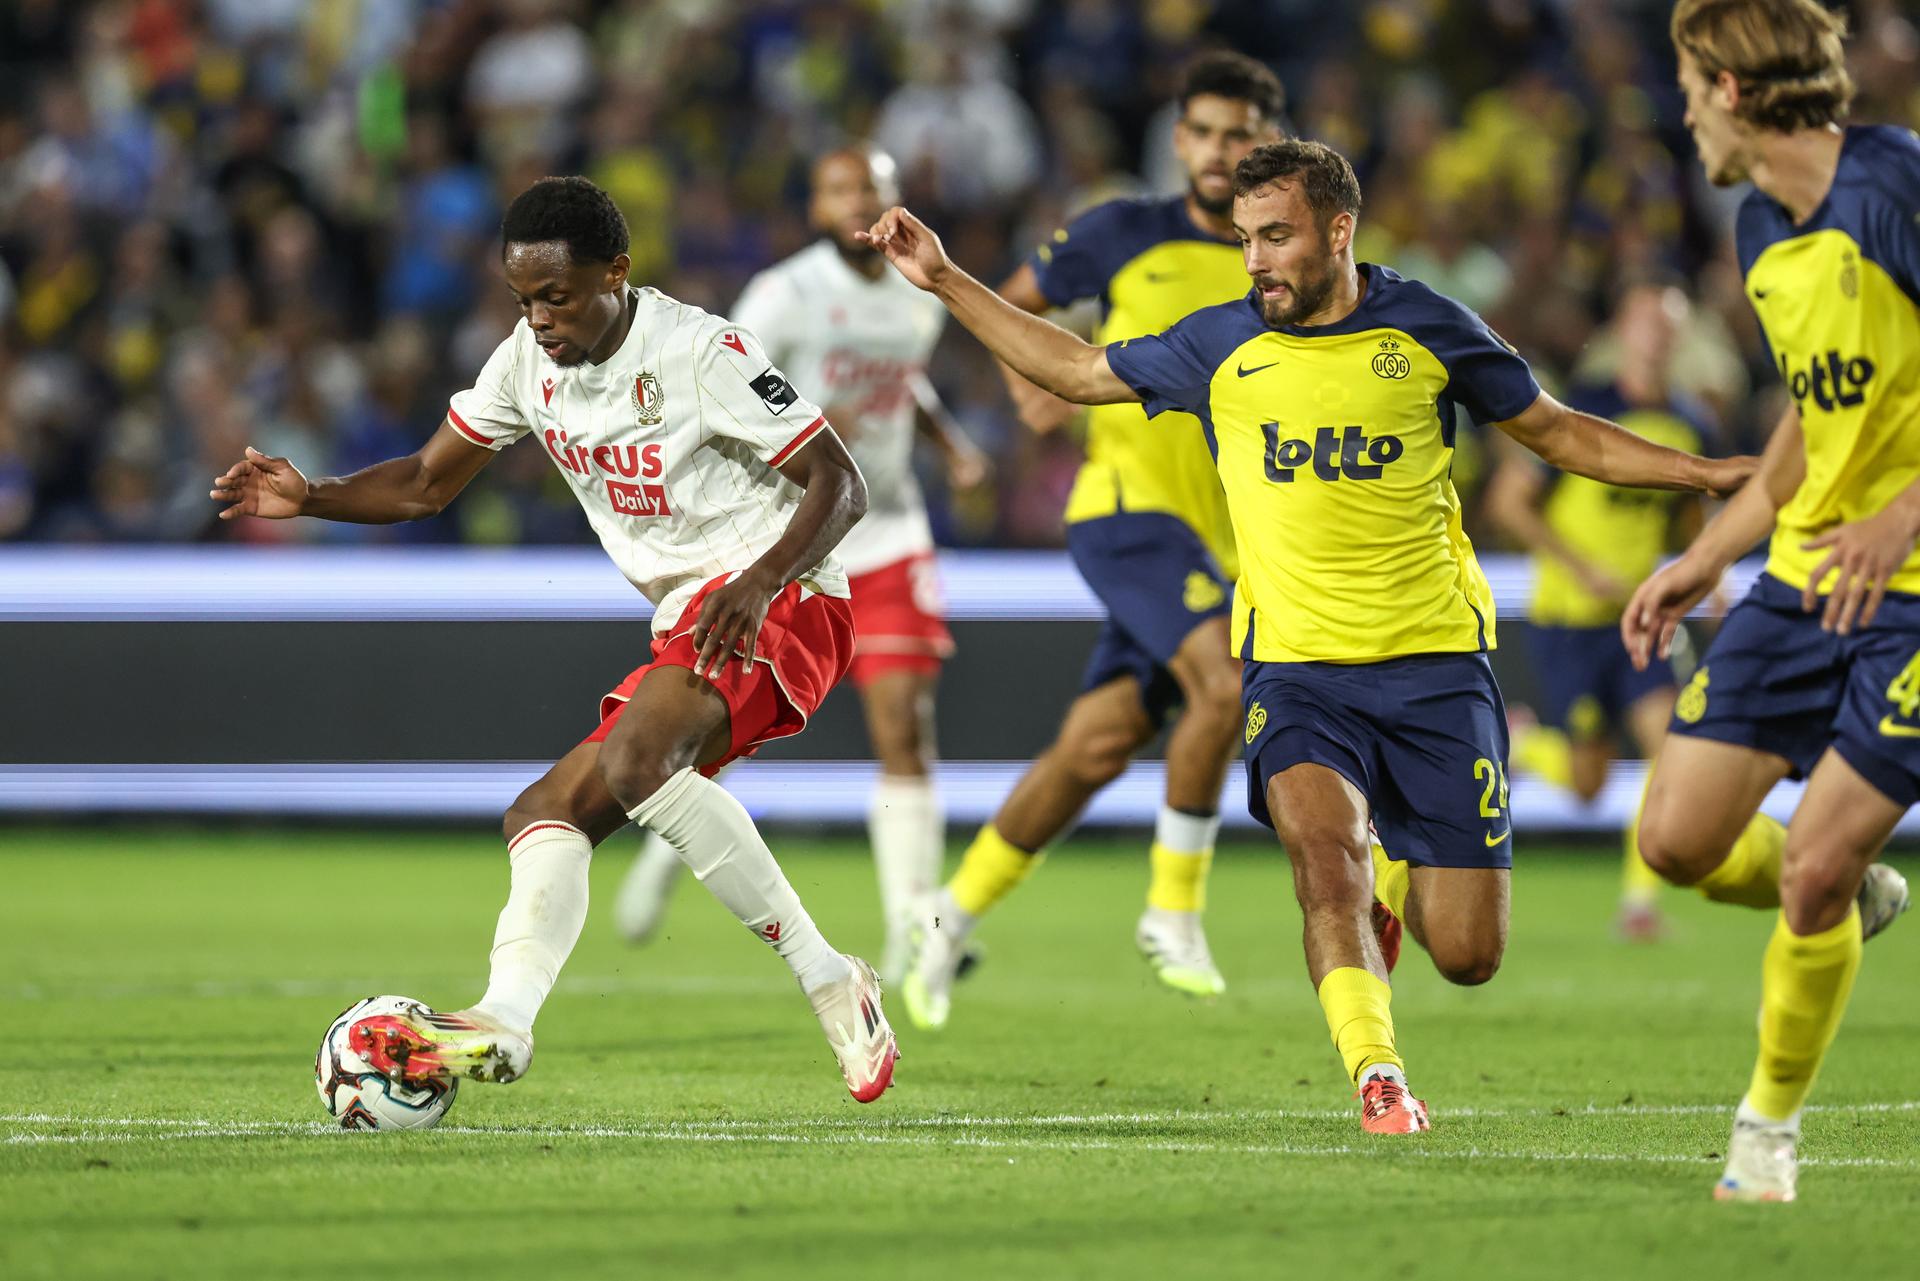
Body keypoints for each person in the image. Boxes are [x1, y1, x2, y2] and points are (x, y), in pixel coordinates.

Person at [861, 139, 1752, 1132]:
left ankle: (1399, 872)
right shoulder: (1218, 343)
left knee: (1467, 953)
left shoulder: (1428, 328)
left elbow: (1560, 431)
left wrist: (1706, 475)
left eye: (1276, 237)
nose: (1255, 261)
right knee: (1327, 871)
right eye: (1245, 239)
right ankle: (1379, 1077)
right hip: (1296, 672)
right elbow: (1072, 368)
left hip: (1435, 667)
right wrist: (944, 277)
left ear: (1339, 231)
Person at [209, 176, 898, 1103]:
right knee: (544, 812)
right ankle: (505, 1017)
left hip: (785, 592)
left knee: (639, 760)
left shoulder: (702, 351)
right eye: (523, 298)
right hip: (691, 613)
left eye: (557, 296)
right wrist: (314, 496)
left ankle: (829, 979)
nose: (538, 319)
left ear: (616, 272)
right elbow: (424, 482)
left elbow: (841, 483)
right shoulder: (523, 364)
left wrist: (762, 578)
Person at [905, 51, 1287, 1031]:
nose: (1217, 151)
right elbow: (1010, 302)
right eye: (1202, 132)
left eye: (1238, 134)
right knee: (1225, 686)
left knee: (1096, 747)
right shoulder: (1122, 232)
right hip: (1126, 512)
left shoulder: (1282, 263)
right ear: (1178, 139)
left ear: (1269, 143)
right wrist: (1030, 385)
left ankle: (948, 915)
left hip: (1228, 543)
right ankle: (1174, 909)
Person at [1622, 0, 1916, 1201]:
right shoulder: (1759, 226)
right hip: (1803, 577)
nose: (1685, 112)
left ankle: (1767, 1132)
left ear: (1733, 90)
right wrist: (1713, 551)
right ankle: (1858, 889)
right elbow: (1811, 414)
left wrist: (1904, 514)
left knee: (1810, 872)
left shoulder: (1894, 184)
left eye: (1692, 87)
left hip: (1913, 593)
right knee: (1675, 841)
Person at [611, 145, 988, 985]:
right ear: (816, 206)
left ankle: (912, 925)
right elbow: (718, 388)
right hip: (795, 537)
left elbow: (906, 382)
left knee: (906, 724)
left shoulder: (918, 289)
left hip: (890, 529)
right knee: (731, 725)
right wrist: (812, 427)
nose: (857, 200)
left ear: (893, 199)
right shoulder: (783, 294)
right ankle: (669, 849)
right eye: (839, 189)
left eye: (871, 188)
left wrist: (951, 445)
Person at [1486, 281, 1718, 940]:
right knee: (1588, 784)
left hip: (1638, 618)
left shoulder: (1691, 424)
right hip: (1570, 619)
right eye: (1645, 322)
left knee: (1669, 745)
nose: (1656, 336)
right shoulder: (1582, 411)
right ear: (1621, 331)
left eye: (1667, 325)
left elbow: (1690, 517)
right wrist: (1577, 564)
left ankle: (1640, 904)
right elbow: (1508, 503)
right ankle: (1525, 745)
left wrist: (1706, 567)